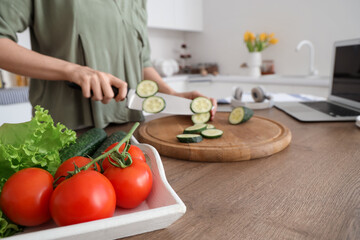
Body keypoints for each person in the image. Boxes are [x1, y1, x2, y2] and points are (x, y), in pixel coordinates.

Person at [0, 0, 217, 130]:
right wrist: (73, 70)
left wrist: (171, 95)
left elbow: (141, 61)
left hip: (131, 129)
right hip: (68, 133)